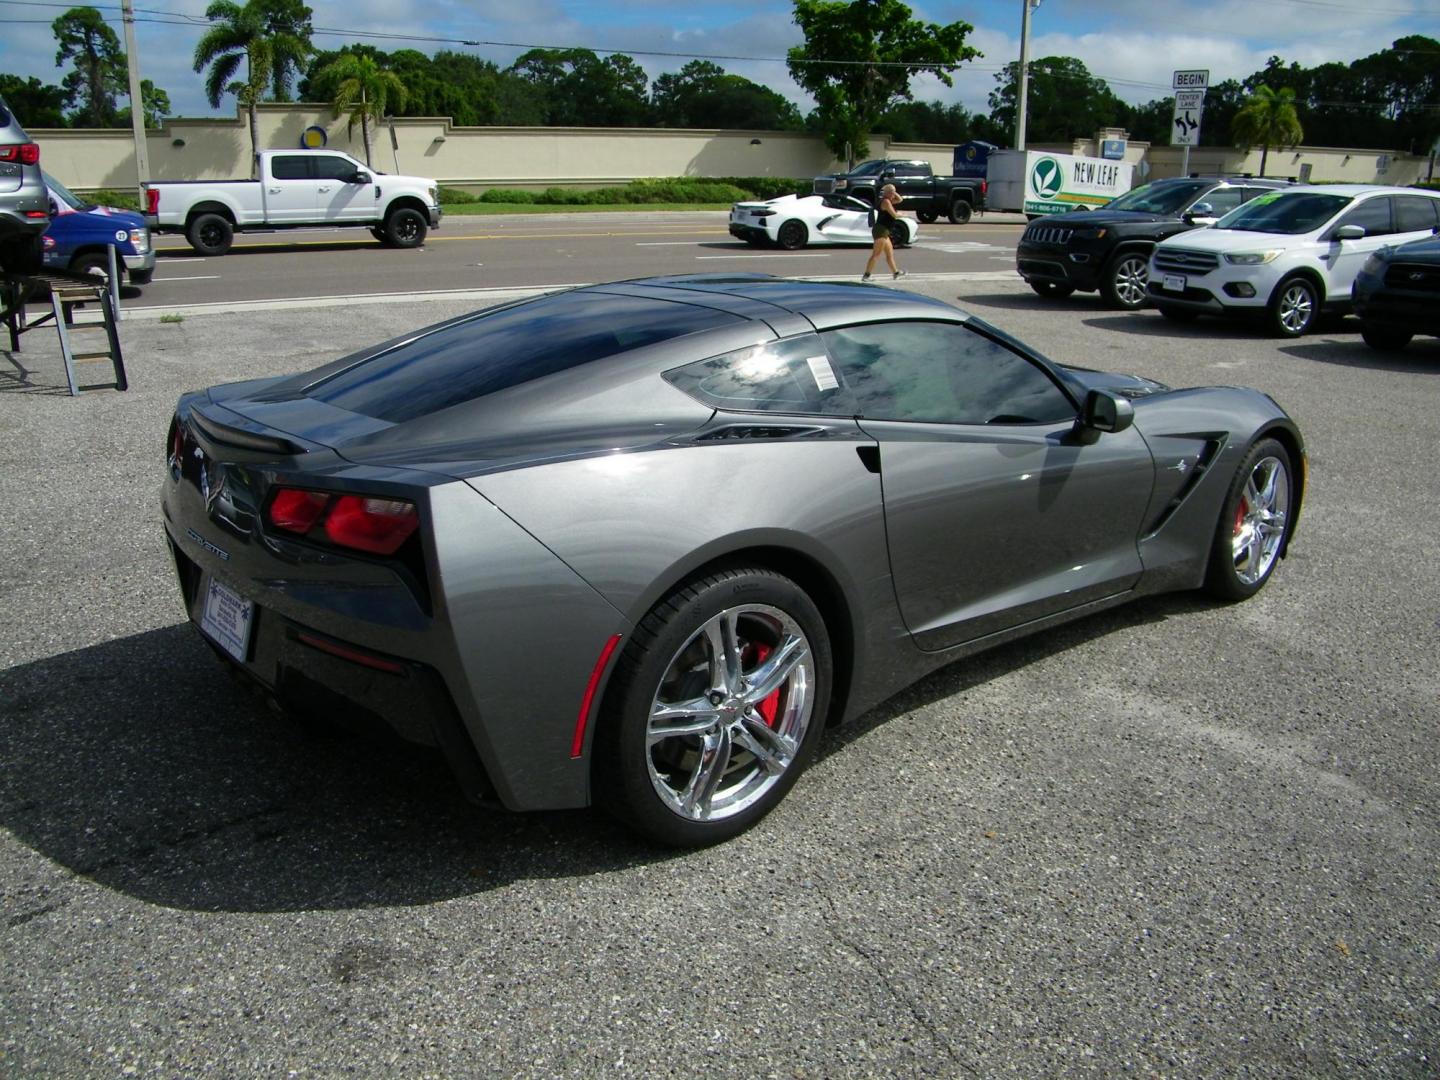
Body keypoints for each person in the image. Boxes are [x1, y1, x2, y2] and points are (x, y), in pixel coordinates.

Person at [862, 184, 907, 282]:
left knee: (889, 254)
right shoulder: (886, 202)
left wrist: (893, 191)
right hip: (881, 230)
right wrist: (902, 214)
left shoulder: (889, 200)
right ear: (887, 193)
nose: (893, 195)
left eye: (894, 192)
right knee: (876, 254)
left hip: (885, 230)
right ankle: (866, 276)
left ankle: (895, 272)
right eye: (891, 193)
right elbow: (894, 215)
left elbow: (900, 200)